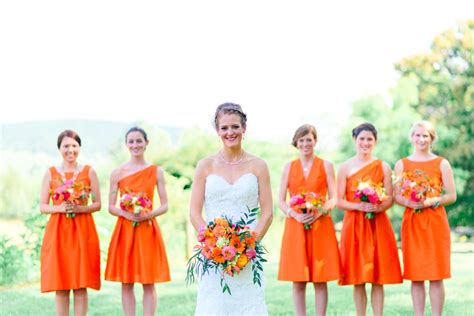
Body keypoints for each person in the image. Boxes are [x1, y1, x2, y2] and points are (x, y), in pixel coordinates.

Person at [189, 103, 273, 315]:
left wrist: (248, 245)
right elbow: (194, 212)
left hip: (248, 252)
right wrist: (211, 244)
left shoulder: (259, 165)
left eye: (235, 126)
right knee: (215, 305)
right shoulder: (205, 166)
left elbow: (268, 213)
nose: (230, 132)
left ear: (244, 128)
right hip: (213, 255)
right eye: (224, 128)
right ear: (217, 131)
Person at [336, 123, 402, 316]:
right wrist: (358, 206)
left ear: (375, 141)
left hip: (377, 224)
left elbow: (390, 197)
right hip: (354, 225)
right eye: (362, 139)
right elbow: (339, 200)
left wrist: (379, 205)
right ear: (355, 140)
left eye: (369, 139)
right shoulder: (345, 167)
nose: (365, 143)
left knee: (377, 276)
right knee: (358, 277)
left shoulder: (383, 166)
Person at [105, 127, 170, 316]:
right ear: (126, 144)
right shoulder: (117, 173)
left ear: (146, 143)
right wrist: (126, 214)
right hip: (125, 229)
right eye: (131, 141)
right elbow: (111, 206)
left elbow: (164, 205)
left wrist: (149, 214)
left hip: (147, 229)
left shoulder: (156, 171)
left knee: (148, 281)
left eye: (139, 141)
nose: (135, 145)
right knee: (126, 282)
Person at [394, 121, 456, 316]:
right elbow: (396, 195)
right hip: (412, 223)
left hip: (435, 223)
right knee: (416, 275)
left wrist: (432, 201)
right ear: (411, 137)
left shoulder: (442, 163)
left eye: (425, 136)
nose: (421, 139)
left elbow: (451, 195)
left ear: (432, 139)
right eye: (418, 135)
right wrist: (408, 202)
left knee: (436, 276)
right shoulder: (402, 164)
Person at [277, 124, 341, 316]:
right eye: (302, 140)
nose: (305, 144)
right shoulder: (288, 167)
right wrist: (295, 214)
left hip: (320, 225)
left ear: (315, 141)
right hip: (295, 226)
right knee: (298, 278)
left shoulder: (326, 165)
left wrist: (320, 211)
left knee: (320, 278)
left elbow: (334, 197)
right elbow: (280, 200)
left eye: (309, 139)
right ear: (296, 142)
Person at [40, 130, 101, 316]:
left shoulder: (89, 171)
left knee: (81, 284)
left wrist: (80, 209)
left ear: (79, 148)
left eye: (74, 146)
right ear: (59, 148)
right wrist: (60, 208)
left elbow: (97, 204)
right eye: (66, 146)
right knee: (61, 284)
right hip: (58, 231)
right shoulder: (50, 173)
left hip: (83, 231)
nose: (70, 150)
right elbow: (42, 206)